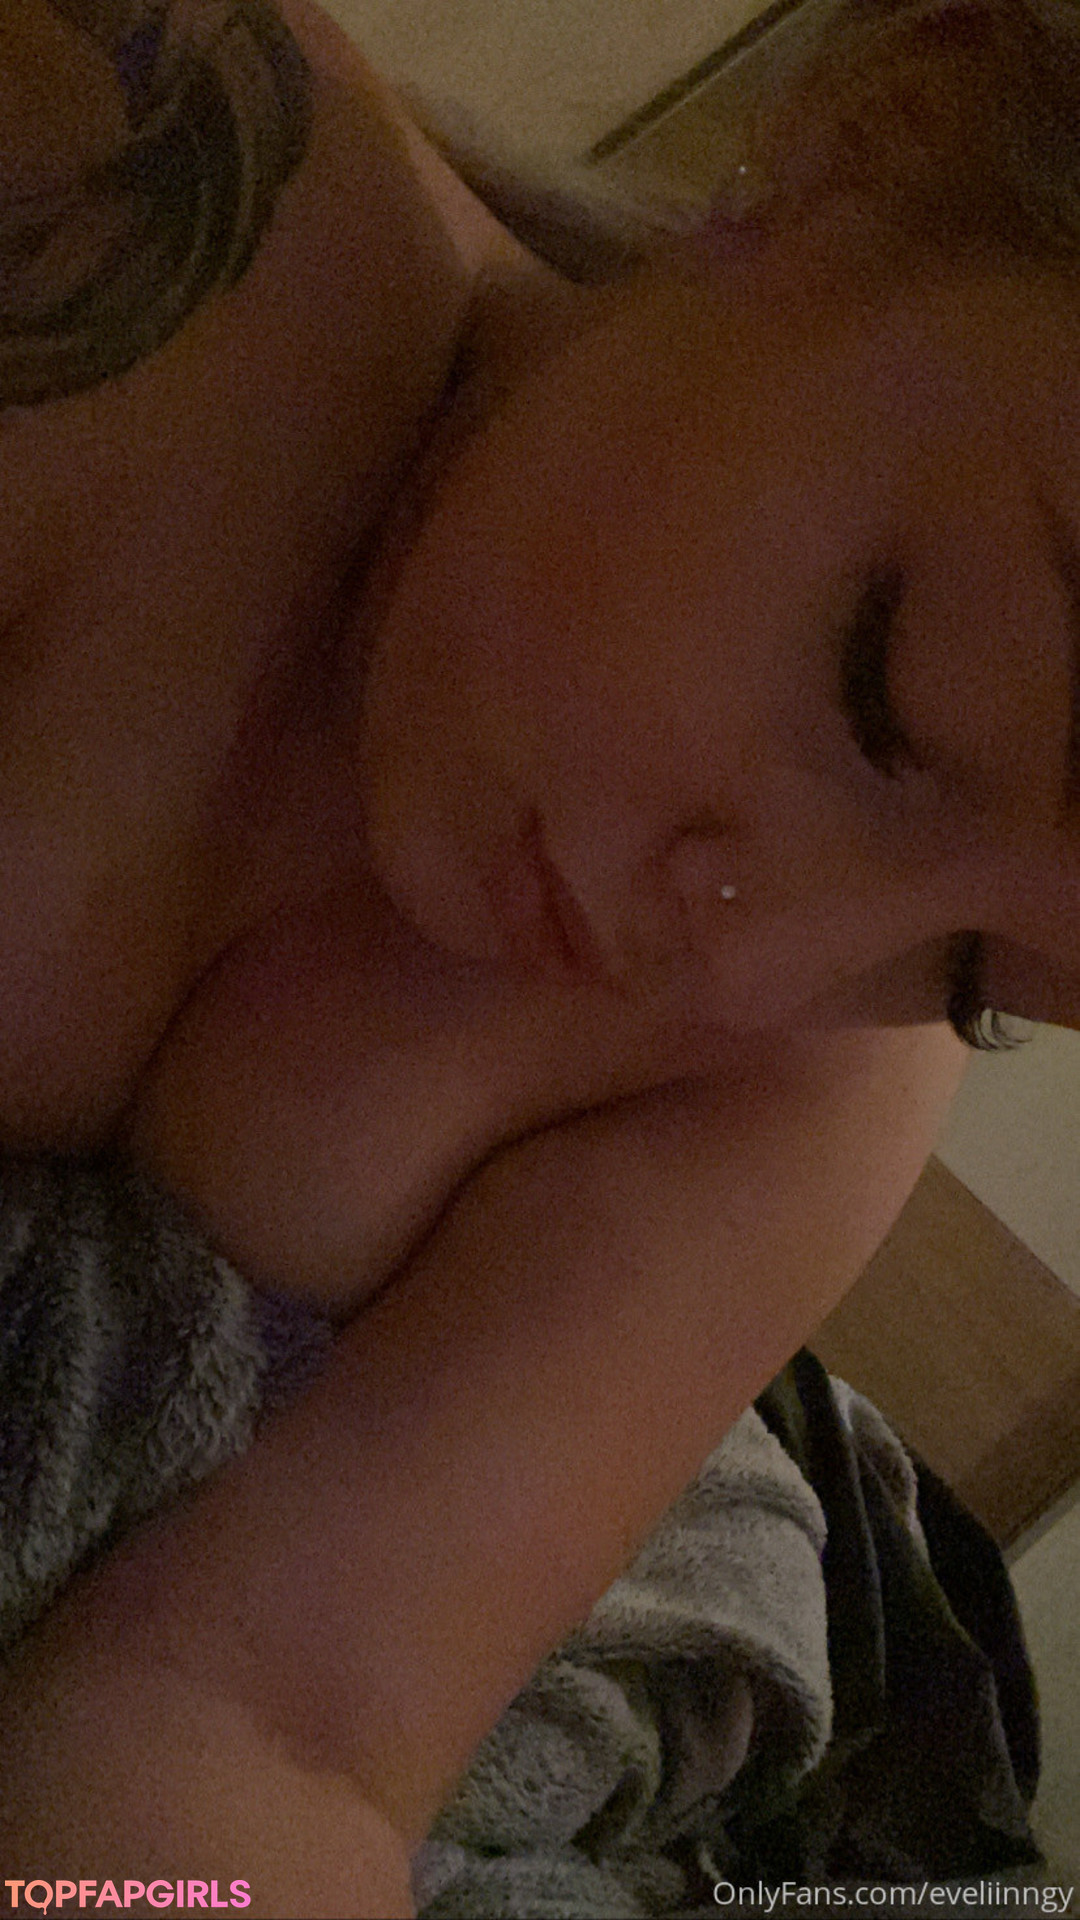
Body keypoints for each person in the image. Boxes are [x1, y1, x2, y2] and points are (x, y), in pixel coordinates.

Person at [0, 0, 1076, 1910]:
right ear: (866, 144)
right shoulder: (121, 176)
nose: (751, 970)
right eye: (885, 689)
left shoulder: (809, 1080)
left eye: (981, 974)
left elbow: (255, 1734)